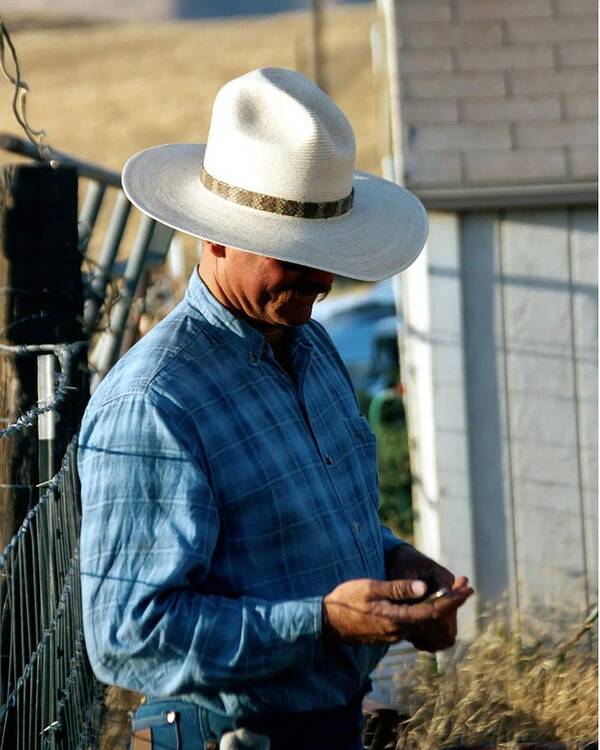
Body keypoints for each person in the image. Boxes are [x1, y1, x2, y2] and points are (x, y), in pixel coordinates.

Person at [78, 67, 473, 750]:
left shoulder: (311, 347)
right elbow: (126, 636)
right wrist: (323, 622)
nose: (321, 280)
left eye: (328, 254)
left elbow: (311, 526)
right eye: (293, 253)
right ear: (217, 235)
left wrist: (399, 569)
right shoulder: (155, 401)